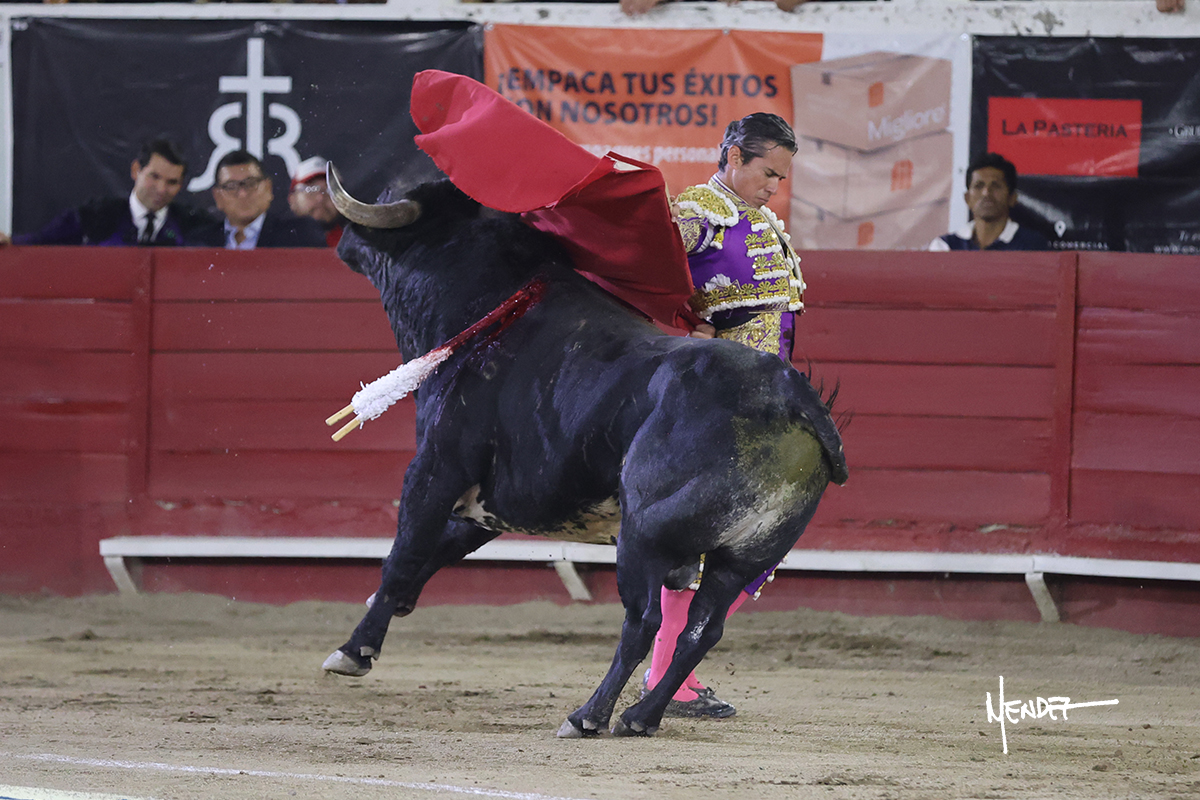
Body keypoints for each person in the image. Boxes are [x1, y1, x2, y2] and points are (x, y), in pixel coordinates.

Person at [644, 112, 805, 719]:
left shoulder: (758, 220)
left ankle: (672, 671)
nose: (775, 187)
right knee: (712, 542)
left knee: (758, 542)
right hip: (712, 406)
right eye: (768, 172)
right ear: (735, 155)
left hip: (762, 403)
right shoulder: (696, 214)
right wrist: (679, 331)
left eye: (782, 177)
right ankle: (669, 675)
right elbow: (634, 283)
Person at [0, 137, 218, 247]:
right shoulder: (93, 216)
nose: (161, 189)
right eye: (154, 177)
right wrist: (9, 243)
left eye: (172, 182)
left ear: (181, 185)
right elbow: (40, 243)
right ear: (136, 170)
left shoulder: (195, 225)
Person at [204, 150, 326, 249]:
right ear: (217, 196)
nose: (243, 194)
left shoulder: (299, 235)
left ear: (268, 188)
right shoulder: (200, 242)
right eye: (231, 186)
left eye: (251, 183)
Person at [929, 152, 1049, 252]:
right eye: (979, 186)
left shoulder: (1033, 246)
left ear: (1012, 198)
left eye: (996, 186)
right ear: (967, 198)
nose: (986, 193)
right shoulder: (945, 247)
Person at [287, 156, 346, 247]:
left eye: (330, 190)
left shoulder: (356, 241)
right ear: (293, 199)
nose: (320, 197)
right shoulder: (275, 242)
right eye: (311, 189)